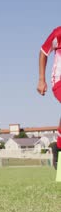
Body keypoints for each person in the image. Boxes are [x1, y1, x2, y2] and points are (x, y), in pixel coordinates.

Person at [38, 27, 61, 170]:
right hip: (59, 80)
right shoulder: (58, 33)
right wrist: (41, 79)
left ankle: (58, 147)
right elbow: (44, 51)